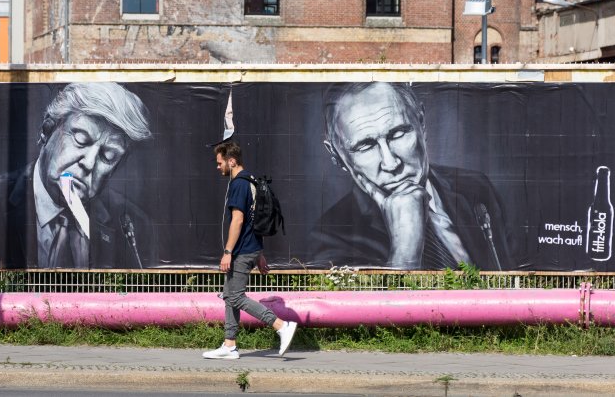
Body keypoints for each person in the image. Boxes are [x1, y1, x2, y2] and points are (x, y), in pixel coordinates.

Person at [0, 82, 156, 269]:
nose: (89, 163)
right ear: (47, 130)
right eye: (80, 139)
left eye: (108, 156)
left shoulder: (134, 227)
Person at [311, 82, 511, 270]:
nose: (391, 163)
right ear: (337, 157)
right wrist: (406, 248)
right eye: (366, 146)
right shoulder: (330, 236)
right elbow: (378, 308)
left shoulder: (476, 188)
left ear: (421, 122)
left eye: (398, 133)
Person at [204, 141, 297, 360]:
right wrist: (260, 254)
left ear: (232, 160)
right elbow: (258, 219)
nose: (218, 167)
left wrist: (228, 252)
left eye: (220, 163)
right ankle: (229, 345)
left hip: (241, 250)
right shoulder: (253, 181)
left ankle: (281, 326)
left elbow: (238, 220)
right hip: (252, 247)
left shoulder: (238, 184)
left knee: (235, 297)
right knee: (229, 296)